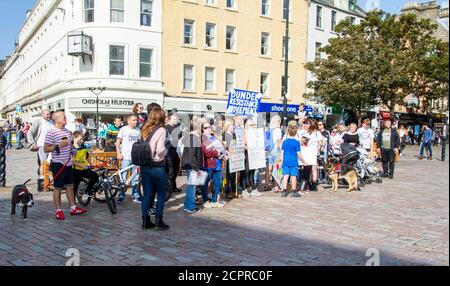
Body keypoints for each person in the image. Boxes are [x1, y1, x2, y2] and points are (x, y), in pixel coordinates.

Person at [44, 110, 87, 220]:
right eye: (64, 117)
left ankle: (73, 207)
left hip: (68, 163)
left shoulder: (67, 132)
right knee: (58, 187)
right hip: (58, 164)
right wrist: (58, 145)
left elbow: (70, 147)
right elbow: (46, 148)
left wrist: (74, 148)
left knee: (70, 186)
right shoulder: (51, 132)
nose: (66, 119)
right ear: (57, 120)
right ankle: (58, 210)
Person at [140, 107, 169, 230]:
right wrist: (166, 151)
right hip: (157, 165)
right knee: (161, 193)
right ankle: (158, 220)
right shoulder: (162, 130)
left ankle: (145, 221)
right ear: (161, 117)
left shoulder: (145, 129)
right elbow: (160, 149)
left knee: (147, 194)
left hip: (145, 165)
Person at [116, 114, 141, 204]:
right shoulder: (123, 129)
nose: (136, 121)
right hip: (126, 157)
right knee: (123, 178)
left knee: (136, 177)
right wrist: (119, 153)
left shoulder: (138, 130)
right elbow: (118, 142)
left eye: (136, 120)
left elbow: (140, 143)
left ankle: (135, 196)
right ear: (128, 121)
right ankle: (121, 196)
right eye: (134, 120)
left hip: (136, 158)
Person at [27, 109, 54, 192]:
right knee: (43, 165)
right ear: (42, 114)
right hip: (42, 146)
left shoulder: (52, 122)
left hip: (52, 146)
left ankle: (50, 183)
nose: (49, 116)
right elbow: (30, 132)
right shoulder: (39, 122)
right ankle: (42, 184)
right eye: (47, 114)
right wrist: (33, 143)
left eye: (49, 114)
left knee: (51, 165)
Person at [201, 121, 226, 208]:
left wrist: (224, 153)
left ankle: (215, 200)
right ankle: (205, 201)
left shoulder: (214, 138)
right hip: (208, 164)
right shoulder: (202, 138)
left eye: (209, 127)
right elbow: (206, 152)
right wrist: (216, 153)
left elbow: (221, 149)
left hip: (218, 163)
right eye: (205, 127)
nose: (208, 129)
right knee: (205, 183)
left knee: (218, 183)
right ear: (202, 129)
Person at [182, 116, 203, 213]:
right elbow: (191, 155)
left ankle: (188, 204)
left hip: (191, 165)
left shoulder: (192, 137)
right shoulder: (192, 138)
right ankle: (190, 206)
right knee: (192, 186)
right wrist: (196, 168)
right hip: (192, 166)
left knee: (191, 186)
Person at [281, 121, 307, 198]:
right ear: (296, 133)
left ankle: (284, 191)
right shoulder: (296, 142)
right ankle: (294, 191)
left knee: (285, 175)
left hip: (285, 161)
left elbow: (282, 152)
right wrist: (303, 161)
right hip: (293, 161)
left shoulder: (285, 142)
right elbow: (299, 154)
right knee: (293, 176)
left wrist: (282, 161)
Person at [72, 131, 99, 196]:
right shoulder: (72, 148)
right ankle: (73, 204)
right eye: (80, 139)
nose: (82, 141)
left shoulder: (83, 146)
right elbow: (72, 161)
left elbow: (87, 156)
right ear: (74, 138)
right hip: (75, 170)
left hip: (84, 169)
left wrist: (91, 164)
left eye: (82, 139)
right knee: (75, 187)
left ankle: (87, 191)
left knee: (95, 176)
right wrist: (82, 166)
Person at [300, 118, 323, 192]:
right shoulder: (304, 132)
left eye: (308, 123)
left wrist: (317, 151)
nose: (306, 125)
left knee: (313, 169)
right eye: (305, 123)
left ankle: (313, 185)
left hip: (313, 152)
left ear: (312, 124)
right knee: (306, 169)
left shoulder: (317, 132)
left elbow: (320, 142)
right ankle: (306, 185)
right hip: (305, 152)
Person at [241, 119, 262, 197]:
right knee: (246, 173)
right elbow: (243, 145)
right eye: (251, 125)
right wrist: (247, 148)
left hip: (253, 155)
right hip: (247, 155)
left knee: (252, 172)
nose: (252, 126)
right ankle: (244, 189)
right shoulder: (245, 133)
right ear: (246, 126)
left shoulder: (254, 134)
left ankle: (253, 189)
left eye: (253, 125)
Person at [165, 111, 182, 197]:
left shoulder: (178, 128)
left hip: (177, 152)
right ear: (169, 119)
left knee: (176, 170)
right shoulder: (166, 128)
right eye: (174, 119)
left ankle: (173, 186)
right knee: (170, 171)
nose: (176, 120)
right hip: (169, 152)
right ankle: (169, 188)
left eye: (177, 119)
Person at [265, 115, 283, 193]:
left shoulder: (269, 130)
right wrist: (282, 151)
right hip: (276, 151)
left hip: (269, 151)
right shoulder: (278, 130)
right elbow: (279, 142)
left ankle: (266, 184)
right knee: (278, 168)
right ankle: (276, 186)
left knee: (269, 169)